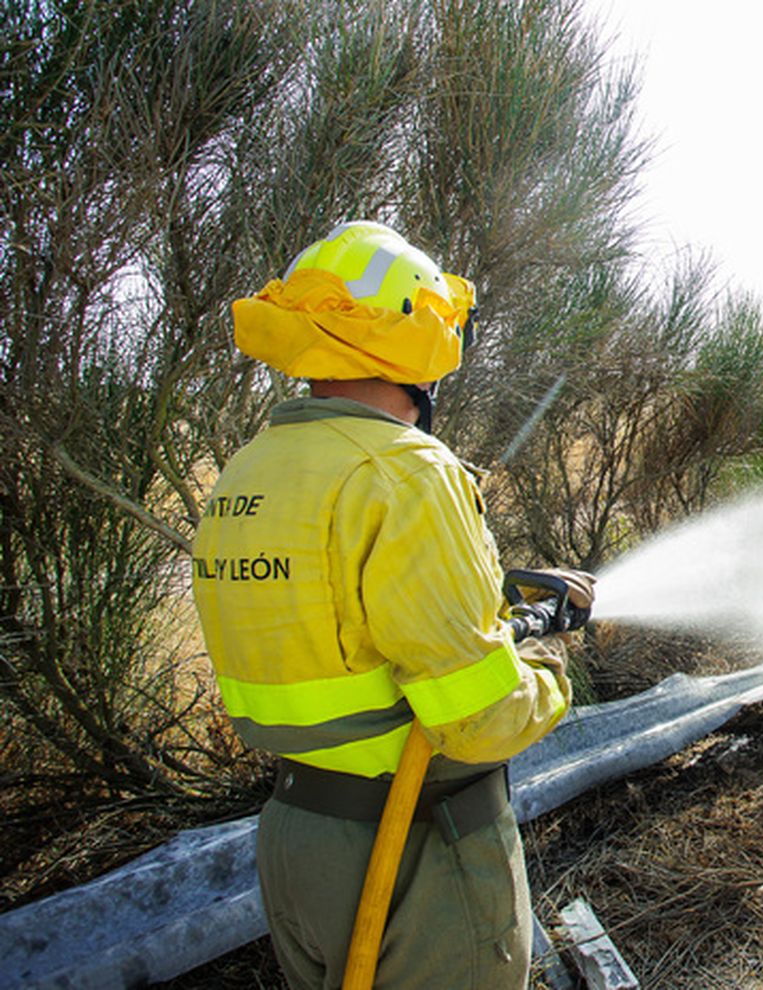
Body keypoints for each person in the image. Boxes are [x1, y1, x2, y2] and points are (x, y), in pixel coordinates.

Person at [192, 221, 590, 989]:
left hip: (294, 840)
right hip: (412, 851)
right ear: (419, 340)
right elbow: (478, 720)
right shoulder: (406, 472)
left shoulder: (249, 471)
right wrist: (545, 655)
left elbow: (341, 622)